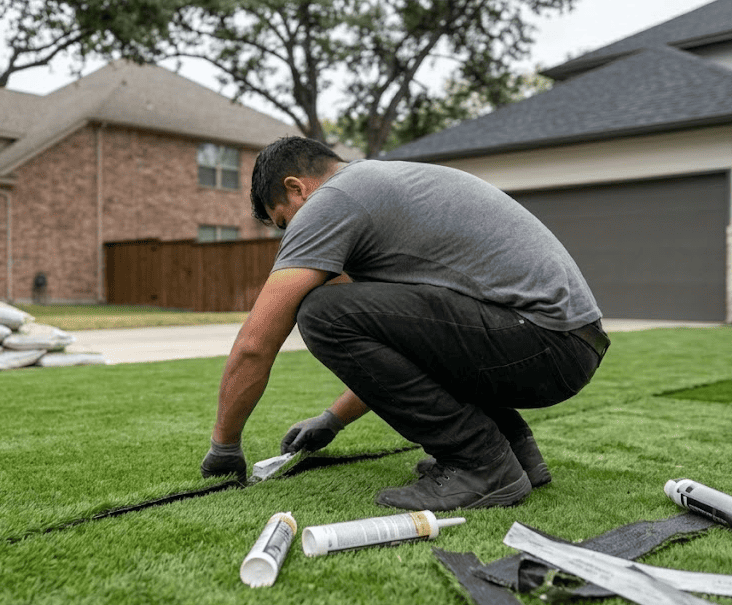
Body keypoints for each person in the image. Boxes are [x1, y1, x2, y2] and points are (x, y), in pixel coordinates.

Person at [200, 136, 609, 511]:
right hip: (566, 344)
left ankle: (481, 464)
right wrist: (332, 419)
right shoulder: (384, 184)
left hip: (541, 341)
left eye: (285, 222)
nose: (291, 236)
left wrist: (225, 445)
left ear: (296, 188)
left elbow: (257, 342)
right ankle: (517, 451)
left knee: (321, 312)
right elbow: (411, 343)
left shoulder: (334, 199)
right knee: (341, 310)